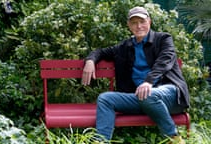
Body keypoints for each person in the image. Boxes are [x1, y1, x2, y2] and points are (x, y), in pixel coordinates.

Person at [81, 6, 189, 143]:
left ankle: (173, 138)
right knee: (105, 98)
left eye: (142, 21)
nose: (139, 26)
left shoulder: (163, 39)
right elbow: (101, 52)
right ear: (129, 25)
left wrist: (148, 81)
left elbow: (164, 61)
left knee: (148, 95)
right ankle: (101, 141)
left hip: (170, 96)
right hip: (141, 98)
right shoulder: (125, 47)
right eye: (134, 22)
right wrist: (90, 60)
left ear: (149, 21)